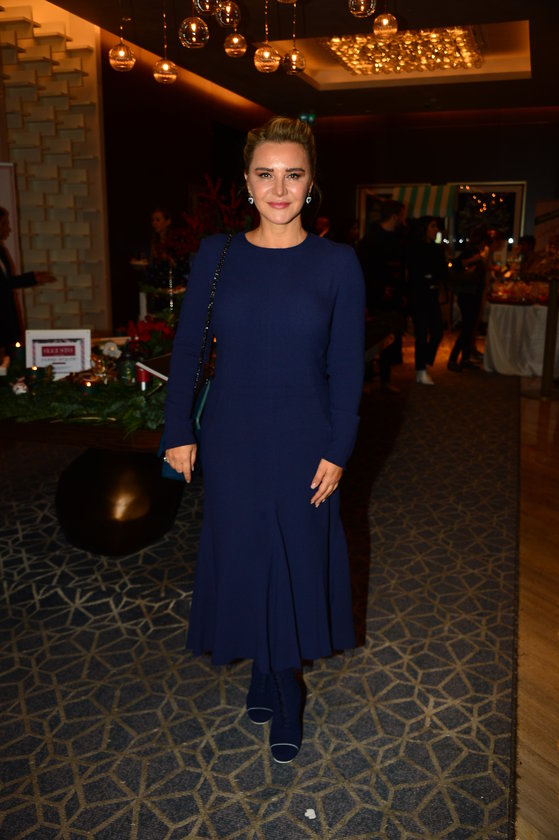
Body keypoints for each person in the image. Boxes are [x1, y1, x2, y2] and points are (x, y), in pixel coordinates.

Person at [163, 117, 365, 764]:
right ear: (246, 183)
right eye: (265, 174)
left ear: (311, 182)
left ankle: (282, 684)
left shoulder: (337, 263)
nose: (279, 189)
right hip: (232, 437)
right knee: (248, 555)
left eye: (293, 174)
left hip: (307, 438)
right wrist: (177, 429)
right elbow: (189, 348)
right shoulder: (216, 254)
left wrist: (339, 448)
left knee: (294, 558)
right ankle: (269, 669)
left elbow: (348, 366)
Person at [356, 199, 407, 394]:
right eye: (401, 215)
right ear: (395, 216)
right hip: (374, 299)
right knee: (371, 339)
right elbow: (363, 271)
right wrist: (377, 290)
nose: (403, 219)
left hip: (392, 298)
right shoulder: (371, 239)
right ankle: (366, 381)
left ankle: (385, 380)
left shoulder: (397, 238)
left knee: (389, 338)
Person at [0, 206, 55, 359]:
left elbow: (7, 282)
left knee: (12, 359)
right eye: (4, 224)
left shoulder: (1, 251)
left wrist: (33, 278)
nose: (8, 229)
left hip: (6, 316)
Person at [406, 216, 447, 385]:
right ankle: (420, 370)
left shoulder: (437, 249)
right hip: (419, 295)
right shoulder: (414, 248)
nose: (436, 230)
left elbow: (442, 272)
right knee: (421, 334)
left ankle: (426, 359)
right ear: (424, 228)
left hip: (432, 294)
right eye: (432, 226)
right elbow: (413, 273)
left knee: (438, 331)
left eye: (436, 226)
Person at [447, 225, 488, 372]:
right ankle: (453, 359)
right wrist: (472, 261)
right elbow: (456, 264)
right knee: (466, 329)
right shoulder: (471, 252)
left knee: (469, 330)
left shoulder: (474, 251)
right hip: (468, 295)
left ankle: (464, 359)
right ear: (481, 241)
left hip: (472, 294)